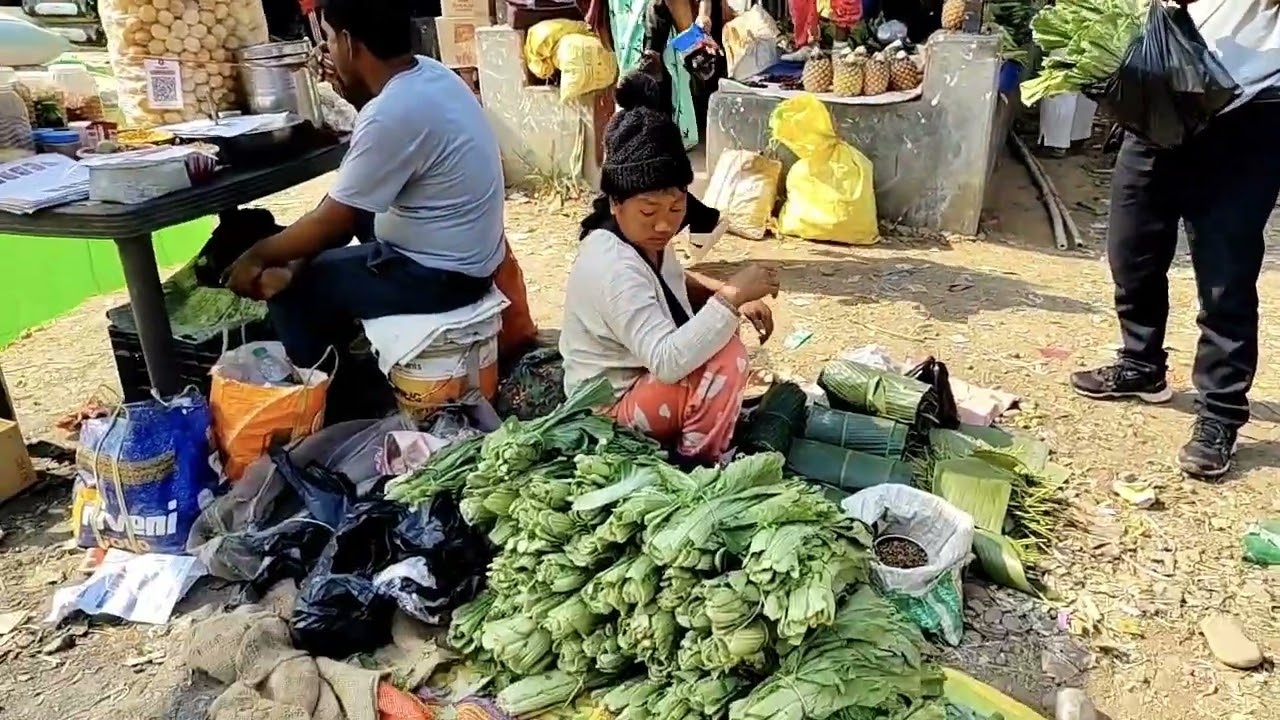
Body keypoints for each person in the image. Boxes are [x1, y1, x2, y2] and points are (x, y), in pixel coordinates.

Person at [225, 0, 536, 376]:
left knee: (298, 293)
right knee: (337, 219)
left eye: (329, 42)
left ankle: (334, 402)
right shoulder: (432, 74)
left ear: (349, 42)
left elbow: (333, 221)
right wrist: (291, 257)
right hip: (467, 255)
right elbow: (351, 193)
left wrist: (257, 255)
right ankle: (305, 280)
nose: (329, 53)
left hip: (444, 277)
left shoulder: (393, 111)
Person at [1070, 0, 1280, 478]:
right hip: (1163, 95)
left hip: (1249, 114)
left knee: (1226, 274)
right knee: (1131, 248)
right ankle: (1140, 363)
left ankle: (1220, 413)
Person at [560, 71, 779, 462]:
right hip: (606, 413)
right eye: (649, 211)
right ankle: (694, 462)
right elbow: (667, 360)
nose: (665, 224)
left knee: (721, 348)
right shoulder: (612, 267)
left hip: (642, 384)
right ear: (615, 203)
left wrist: (717, 292)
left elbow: (667, 282)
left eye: (677, 208)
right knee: (727, 360)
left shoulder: (643, 239)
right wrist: (731, 297)